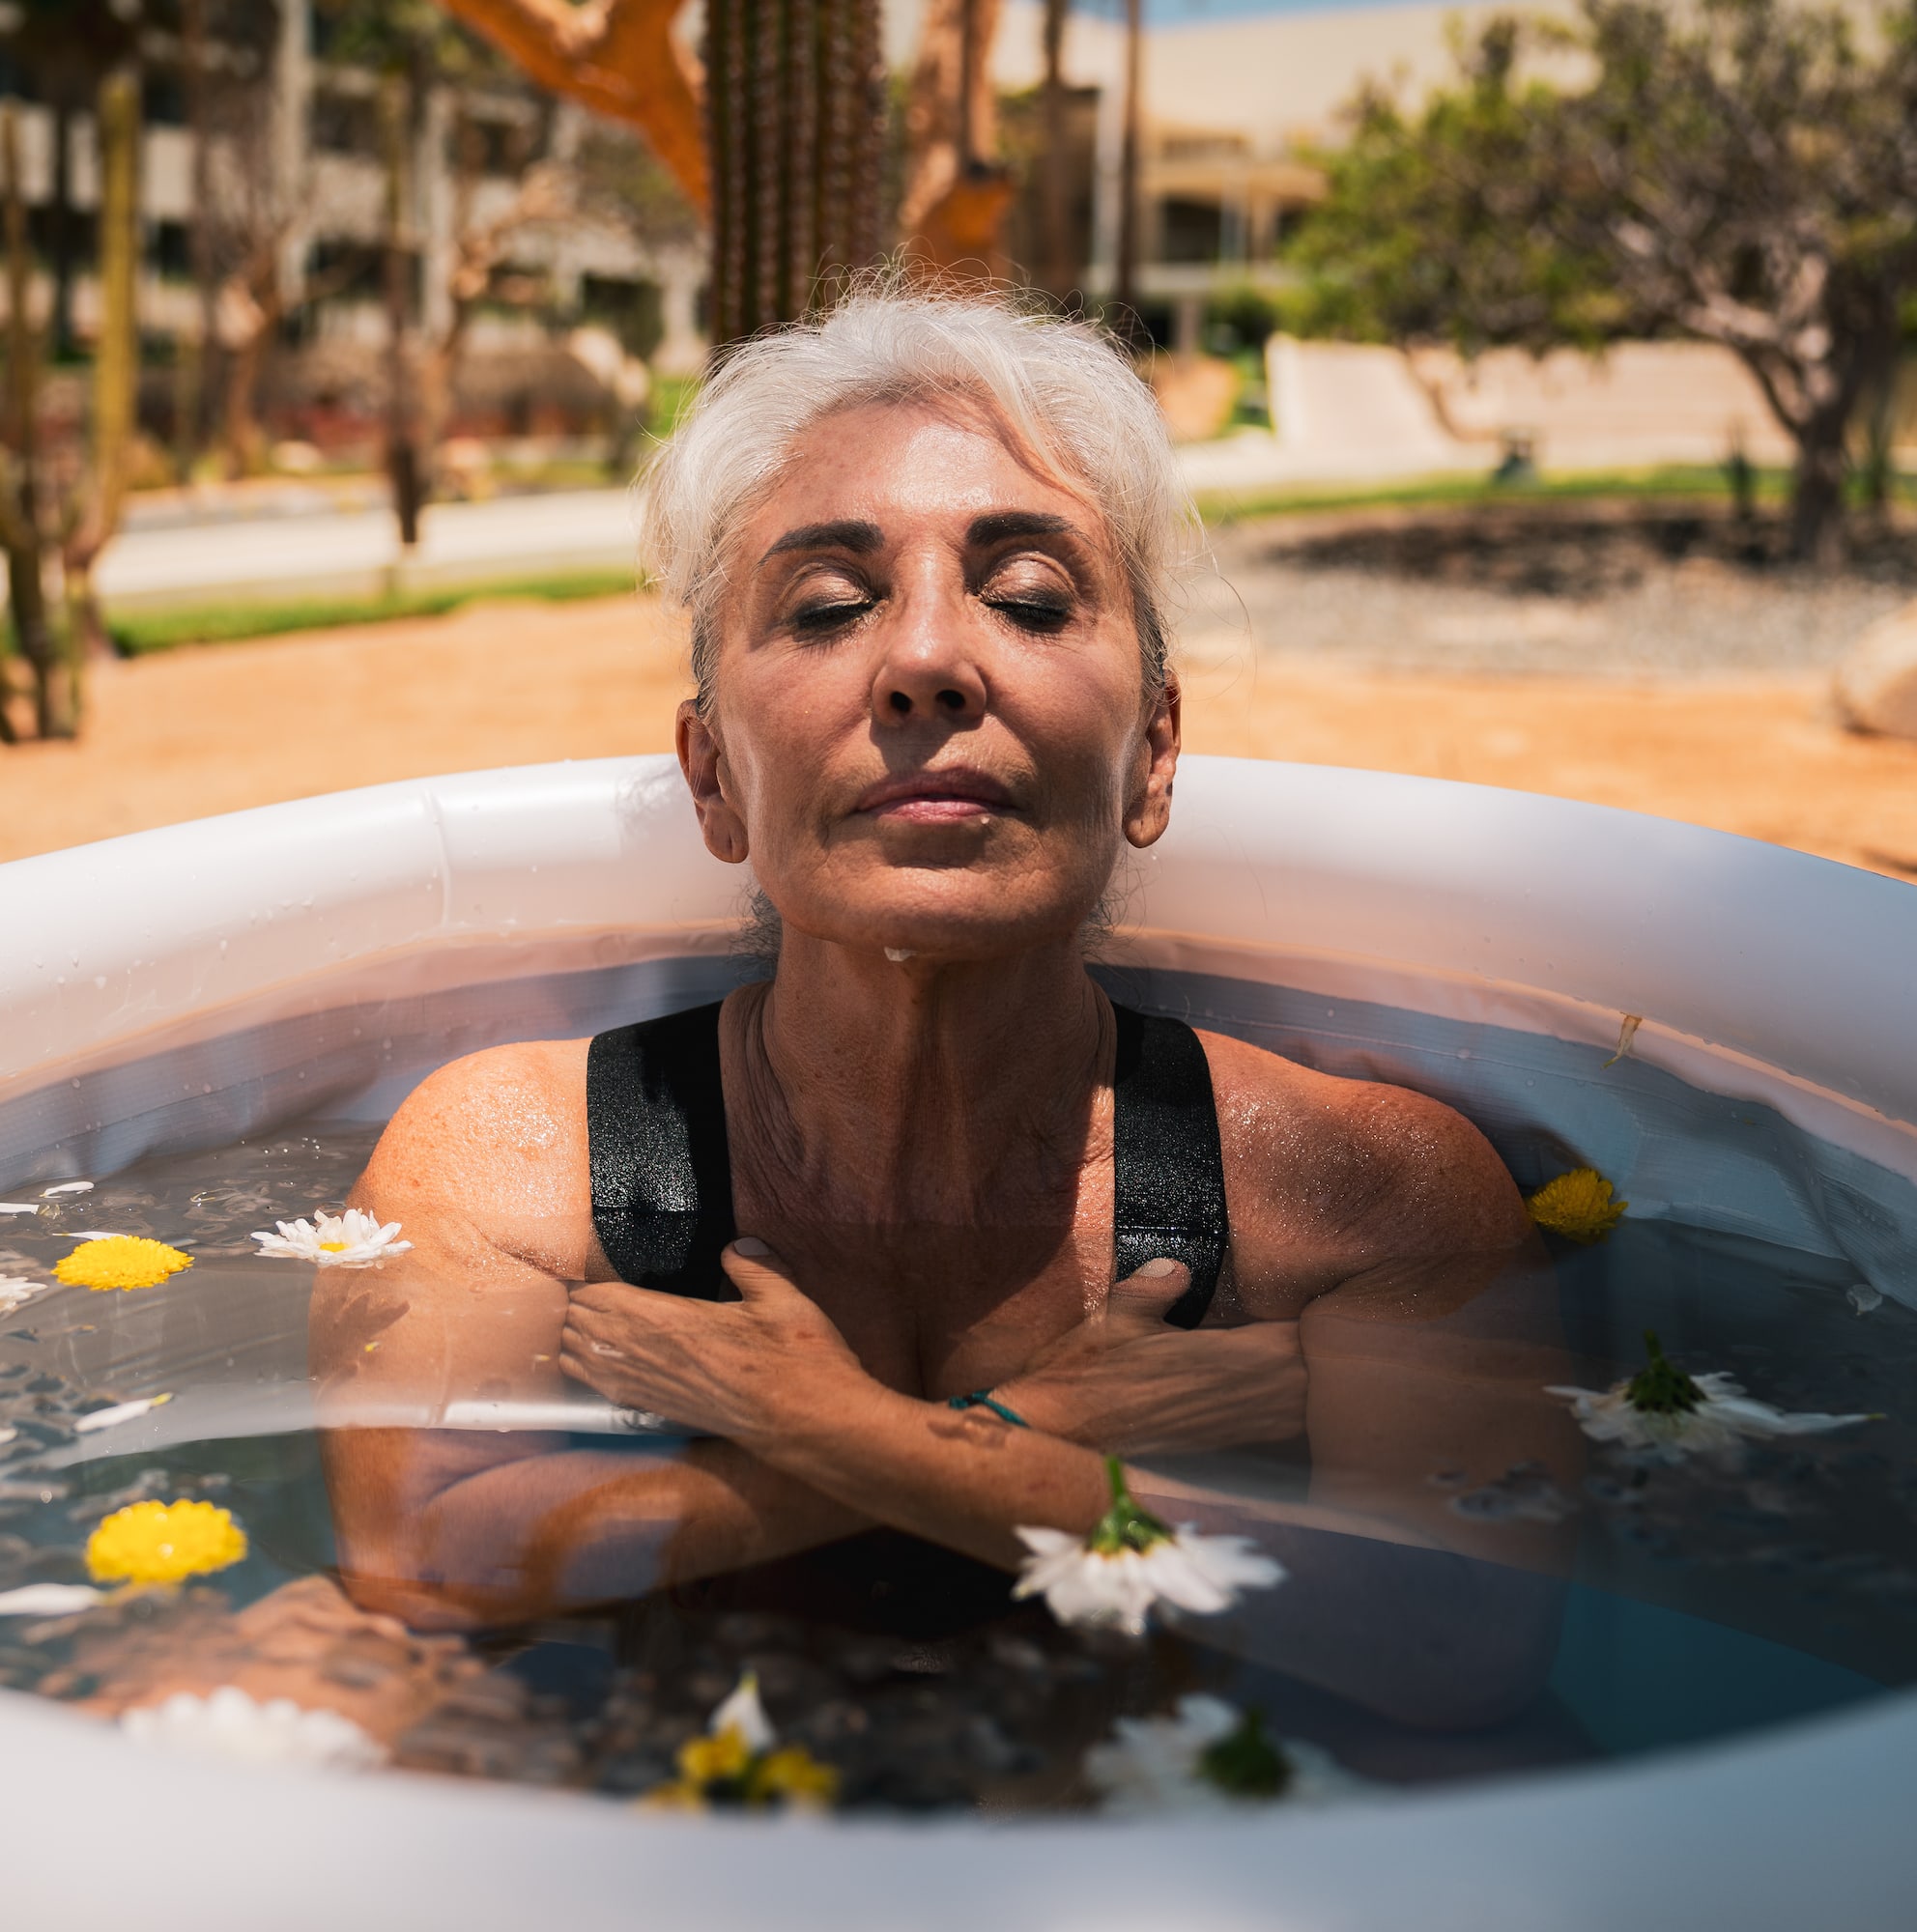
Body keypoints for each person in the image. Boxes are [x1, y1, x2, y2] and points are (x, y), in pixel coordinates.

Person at [313, 286, 1572, 1734]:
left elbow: (1451, 1640)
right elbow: (417, 1559)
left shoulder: (1364, 1194)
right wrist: (1030, 1433)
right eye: (830, 607)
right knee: (310, 1685)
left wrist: (833, 1431)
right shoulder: (507, 1160)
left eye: (1030, 598)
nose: (925, 661)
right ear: (713, 775)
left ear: (1153, 753)